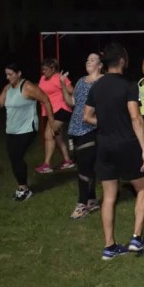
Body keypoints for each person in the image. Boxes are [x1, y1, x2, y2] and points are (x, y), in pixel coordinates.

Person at [83, 43, 144, 260]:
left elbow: (87, 116)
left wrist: (106, 123)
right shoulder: (129, 86)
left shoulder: (97, 87)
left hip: (104, 146)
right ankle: (136, 239)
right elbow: (135, 117)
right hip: (126, 144)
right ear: (122, 60)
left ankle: (109, 246)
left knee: (109, 196)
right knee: (143, 189)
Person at [0, 63, 56, 202]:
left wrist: (51, 121)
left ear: (19, 73)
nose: (8, 77)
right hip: (12, 129)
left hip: (27, 129)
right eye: (6, 74)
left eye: (11, 74)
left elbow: (46, 100)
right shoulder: (7, 88)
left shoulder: (28, 87)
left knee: (16, 156)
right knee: (13, 157)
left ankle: (24, 189)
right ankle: (21, 188)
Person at [61, 53, 104, 219]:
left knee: (84, 167)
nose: (88, 61)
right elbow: (71, 102)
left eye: (92, 59)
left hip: (91, 128)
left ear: (100, 65)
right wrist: (63, 85)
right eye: (87, 59)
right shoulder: (80, 81)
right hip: (75, 128)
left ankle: (82, 204)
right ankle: (92, 199)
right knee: (87, 166)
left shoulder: (103, 81)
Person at [35, 58, 75, 173]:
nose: (43, 72)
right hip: (50, 111)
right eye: (42, 69)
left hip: (62, 110)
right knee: (57, 137)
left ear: (53, 69)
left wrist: (64, 91)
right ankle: (67, 160)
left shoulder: (59, 77)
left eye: (46, 69)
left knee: (49, 135)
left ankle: (46, 165)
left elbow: (72, 91)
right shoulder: (42, 78)